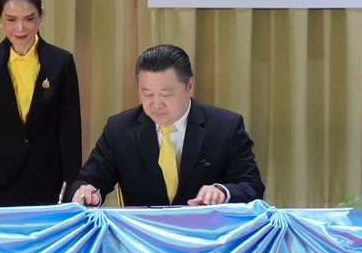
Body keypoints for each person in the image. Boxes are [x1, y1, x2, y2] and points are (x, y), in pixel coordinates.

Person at [71, 44, 264, 207]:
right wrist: (88, 194)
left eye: (166, 94)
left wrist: (222, 191)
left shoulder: (225, 127)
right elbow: (87, 181)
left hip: (206, 236)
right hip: (141, 236)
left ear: (189, 86)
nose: (156, 104)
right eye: (147, 94)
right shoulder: (120, 130)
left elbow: (252, 187)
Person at [0, 0, 82, 206]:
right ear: (0, 18)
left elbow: (70, 131)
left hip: (49, 184)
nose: (20, 28)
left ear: (41, 15)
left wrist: (72, 188)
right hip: (0, 184)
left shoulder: (61, 63)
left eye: (29, 19)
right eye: (11, 19)